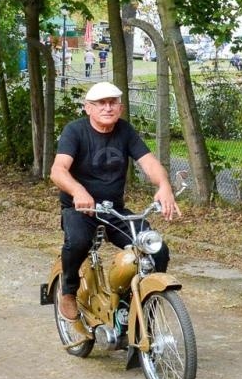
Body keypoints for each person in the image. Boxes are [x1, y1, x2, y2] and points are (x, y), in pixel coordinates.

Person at [49, 80, 181, 324]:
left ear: (120, 108)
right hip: (81, 210)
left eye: (113, 103)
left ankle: (138, 307)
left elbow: (149, 162)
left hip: (114, 211)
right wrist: (78, 191)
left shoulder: (125, 131)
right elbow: (58, 170)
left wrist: (164, 186)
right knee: (78, 242)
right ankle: (68, 290)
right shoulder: (75, 131)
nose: (107, 108)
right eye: (101, 103)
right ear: (88, 108)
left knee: (157, 250)